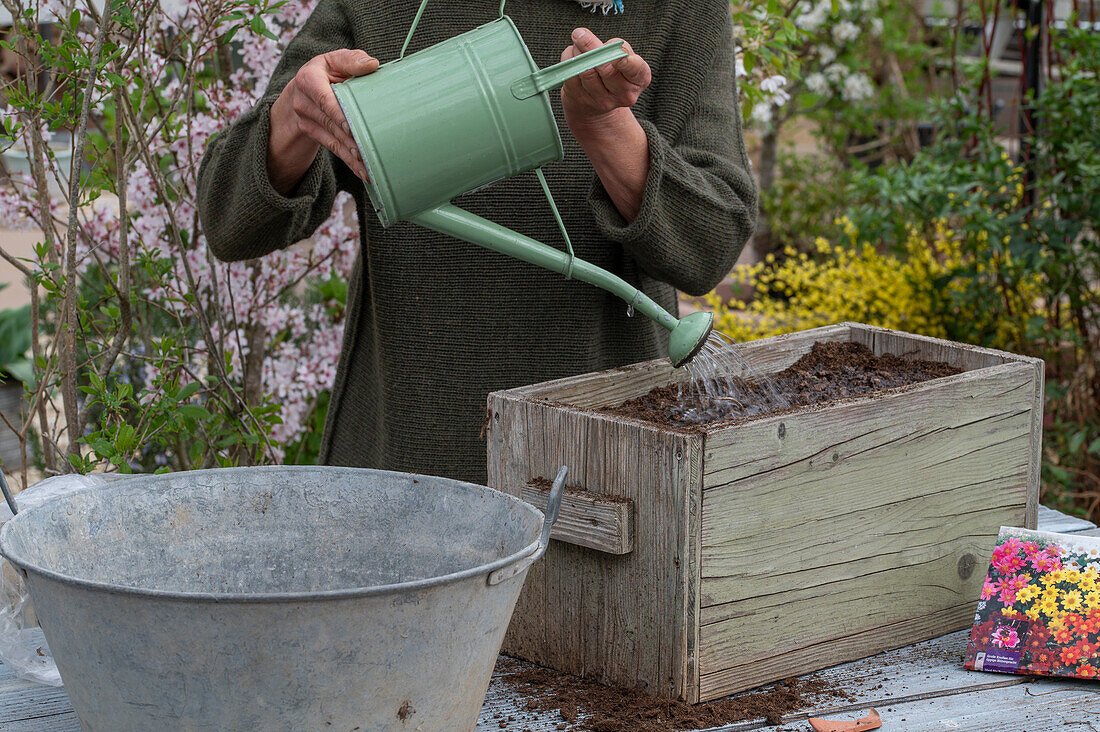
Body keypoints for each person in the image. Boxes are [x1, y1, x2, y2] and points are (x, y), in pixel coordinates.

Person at [197, 0, 757, 485]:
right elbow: (230, 219)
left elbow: (709, 242)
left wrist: (606, 129)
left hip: (606, 461)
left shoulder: (675, 9)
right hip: (408, 460)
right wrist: (297, 118)